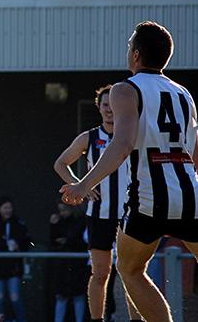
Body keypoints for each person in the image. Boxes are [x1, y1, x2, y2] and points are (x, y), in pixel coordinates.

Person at [61, 21, 198, 322]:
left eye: (128, 46)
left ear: (136, 55)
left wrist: (83, 185)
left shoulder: (126, 89)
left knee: (129, 269)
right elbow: (195, 152)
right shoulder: (184, 94)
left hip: (150, 196)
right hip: (190, 193)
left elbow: (122, 144)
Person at [53, 85, 141, 322]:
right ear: (99, 108)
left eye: (113, 105)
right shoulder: (89, 137)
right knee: (100, 273)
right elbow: (60, 163)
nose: (109, 110)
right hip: (99, 214)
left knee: (132, 273)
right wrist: (80, 185)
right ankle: (96, 320)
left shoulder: (134, 135)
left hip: (131, 213)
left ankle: (137, 319)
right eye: (104, 105)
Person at [0, 197, 31, 322]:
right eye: (5, 208)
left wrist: (18, 245)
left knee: (14, 296)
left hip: (14, 267)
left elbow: (26, 242)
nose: (8, 211)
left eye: (9, 208)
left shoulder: (19, 223)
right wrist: (5, 245)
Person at [49, 202, 88, 322]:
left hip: (77, 264)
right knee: (61, 296)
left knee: (78, 296)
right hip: (63, 264)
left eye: (64, 210)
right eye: (60, 210)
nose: (62, 213)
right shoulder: (59, 221)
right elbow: (53, 241)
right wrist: (53, 225)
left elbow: (81, 241)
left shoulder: (82, 221)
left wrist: (67, 241)